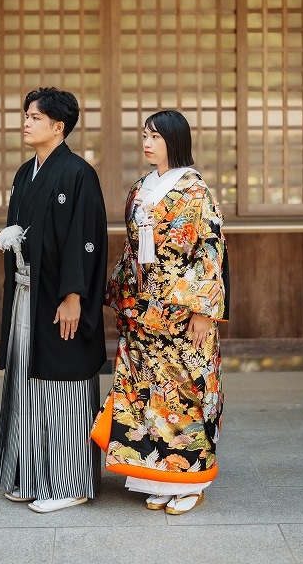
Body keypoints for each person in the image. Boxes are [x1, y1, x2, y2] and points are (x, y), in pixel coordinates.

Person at [96, 110, 228, 515]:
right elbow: (130, 248)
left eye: (155, 136)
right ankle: (156, 475)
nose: (147, 142)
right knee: (145, 395)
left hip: (181, 308)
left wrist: (203, 309)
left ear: (175, 139)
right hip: (141, 306)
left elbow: (210, 249)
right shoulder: (141, 187)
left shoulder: (196, 190)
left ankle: (190, 480)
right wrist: (122, 296)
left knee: (185, 391)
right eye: (144, 135)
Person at [0, 87, 108, 514]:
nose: (26, 122)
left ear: (58, 127)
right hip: (27, 293)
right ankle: (31, 474)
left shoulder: (78, 173)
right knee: (28, 380)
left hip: (60, 297)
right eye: (26, 115)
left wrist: (74, 295)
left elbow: (86, 239)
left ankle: (71, 481)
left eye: (35, 117)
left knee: (64, 385)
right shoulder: (27, 173)